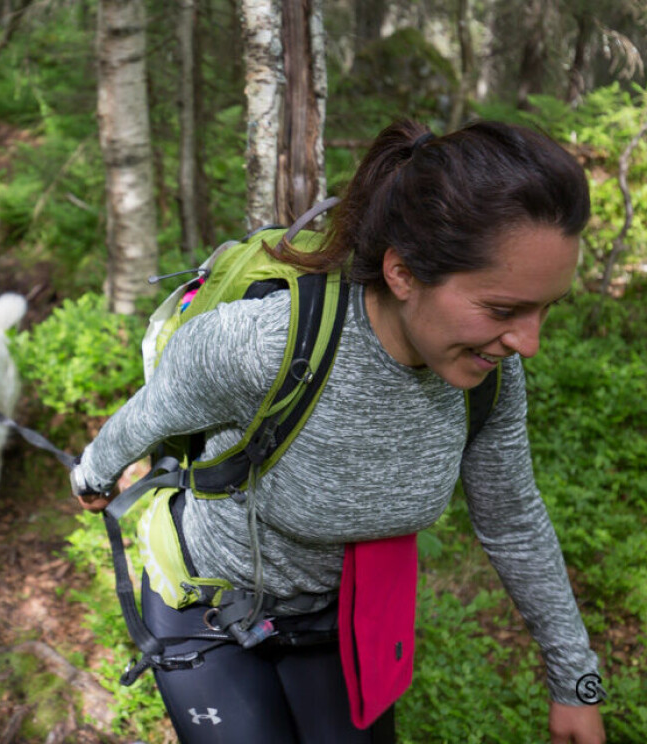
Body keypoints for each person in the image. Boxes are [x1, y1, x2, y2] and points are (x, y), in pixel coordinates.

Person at [70, 120, 607, 744]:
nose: (529, 344)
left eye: (546, 309)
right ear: (403, 273)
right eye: (502, 309)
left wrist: (575, 680)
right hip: (204, 609)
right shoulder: (265, 345)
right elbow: (147, 414)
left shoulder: (491, 377)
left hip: (339, 617)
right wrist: (93, 474)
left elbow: (513, 522)